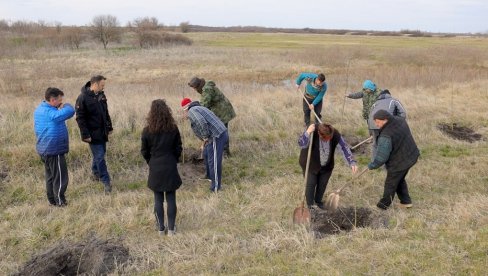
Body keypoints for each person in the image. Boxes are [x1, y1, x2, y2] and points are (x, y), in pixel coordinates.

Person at [141, 99, 182, 236]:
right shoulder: (173, 128)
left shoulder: (147, 131)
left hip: (155, 165)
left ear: (151, 113)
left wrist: (151, 162)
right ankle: (171, 229)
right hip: (170, 164)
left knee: (158, 199)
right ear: (167, 112)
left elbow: (144, 151)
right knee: (171, 198)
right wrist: (173, 160)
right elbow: (178, 148)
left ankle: (160, 229)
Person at [298, 123, 358, 209]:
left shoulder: (335, 134)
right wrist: (307, 132)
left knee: (322, 184)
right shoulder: (312, 131)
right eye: (326, 139)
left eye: (330, 138)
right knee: (310, 184)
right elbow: (301, 144)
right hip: (310, 164)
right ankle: (310, 206)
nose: (329, 140)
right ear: (320, 134)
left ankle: (318, 202)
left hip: (327, 166)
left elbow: (344, 147)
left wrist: (351, 162)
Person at [368, 109, 419, 210]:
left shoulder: (386, 135)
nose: (376, 124)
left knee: (390, 184)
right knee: (399, 179)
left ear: (385, 120)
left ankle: (382, 206)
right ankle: (406, 202)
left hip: (399, 162)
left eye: (377, 122)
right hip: (412, 155)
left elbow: (382, 157)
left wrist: (373, 165)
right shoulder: (400, 120)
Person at [34, 87, 75, 206]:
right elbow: (70, 111)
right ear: (52, 100)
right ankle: (60, 201)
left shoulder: (39, 109)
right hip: (54, 149)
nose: (61, 103)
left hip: (44, 149)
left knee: (50, 177)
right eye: (60, 100)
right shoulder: (52, 113)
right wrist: (67, 105)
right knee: (60, 177)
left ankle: (52, 200)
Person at [75, 75, 113, 194]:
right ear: (94, 84)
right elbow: (80, 118)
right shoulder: (82, 98)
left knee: (100, 155)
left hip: (103, 132)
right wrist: (85, 135)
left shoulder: (102, 95)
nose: (103, 87)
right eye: (102, 85)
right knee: (100, 156)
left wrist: (109, 127)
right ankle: (105, 181)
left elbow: (105, 112)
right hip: (92, 134)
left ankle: (95, 173)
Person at [181, 97, 228, 192]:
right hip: (215, 135)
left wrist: (205, 137)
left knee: (213, 161)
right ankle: (209, 176)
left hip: (216, 136)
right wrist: (204, 142)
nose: (184, 114)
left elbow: (201, 122)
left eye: (183, 112)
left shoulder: (192, 110)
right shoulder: (198, 108)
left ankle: (216, 188)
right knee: (206, 154)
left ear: (185, 109)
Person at [188, 77, 236, 156]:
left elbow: (204, 105)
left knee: (222, 131)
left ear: (197, 86)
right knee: (221, 131)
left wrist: (194, 110)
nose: (194, 90)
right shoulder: (205, 88)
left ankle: (225, 153)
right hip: (219, 110)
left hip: (222, 111)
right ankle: (220, 150)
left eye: (194, 88)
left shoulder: (207, 90)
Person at [368, 89, 407, 158]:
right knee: (390, 142)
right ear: (389, 95)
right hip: (385, 124)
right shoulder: (394, 100)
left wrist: (371, 132)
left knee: (376, 143)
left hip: (373, 124)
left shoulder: (375, 103)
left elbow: (370, 117)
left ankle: (375, 161)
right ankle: (390, 161)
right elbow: (403, 114)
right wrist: (397, 123)